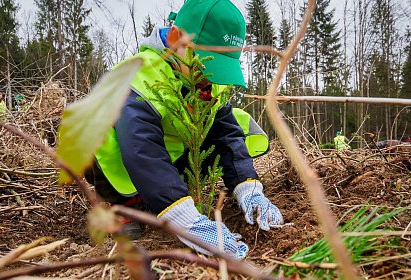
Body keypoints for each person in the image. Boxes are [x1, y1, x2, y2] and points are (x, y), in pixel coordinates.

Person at [86, 0, 283, 259]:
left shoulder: (212, 84)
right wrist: (188, 222)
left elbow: (227, 136)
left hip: (172, 158)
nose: (209, 77)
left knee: (241, 124)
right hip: (126, 158)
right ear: (175, 38)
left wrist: (249, 187)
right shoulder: (138, 76)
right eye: (203, 64)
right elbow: (140, 149)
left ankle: (172, 193)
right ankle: (126, 204)